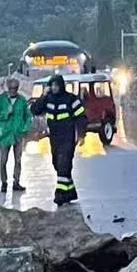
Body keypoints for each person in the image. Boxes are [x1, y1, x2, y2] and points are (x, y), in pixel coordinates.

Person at [31, 73, 86, 206]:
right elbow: (35, 110)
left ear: (61, 85)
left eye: (56, 85)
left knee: (63, 165)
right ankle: (70, 192)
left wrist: (81, 135)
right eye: (52, 85)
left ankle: (60, 195)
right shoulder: (48, 99)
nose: (54, 88)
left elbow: (81, 117)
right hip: (54, 137)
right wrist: (43, 96)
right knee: (57, 164)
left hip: (68, 136)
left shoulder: (71, 99)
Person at [0, 77, 31, 193]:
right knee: (3, 160)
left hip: (18, 134)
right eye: (11, 88)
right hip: (5, 134)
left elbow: (27, 116)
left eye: (15, 88)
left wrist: (24, 128)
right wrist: (5, 113)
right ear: (8, 88)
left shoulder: (22, 100)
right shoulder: (0, 99)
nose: (13, 90)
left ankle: (16, 182)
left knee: (18, 160)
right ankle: (4, 182)